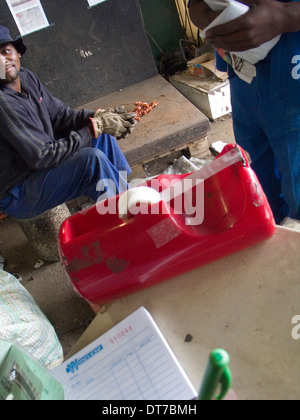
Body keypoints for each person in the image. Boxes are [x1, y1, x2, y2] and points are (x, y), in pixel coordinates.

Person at [0, 25, 136, 220]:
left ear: (18, 52)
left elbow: (60, 116)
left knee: (102, 134)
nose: (2, 61)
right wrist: (91, 128)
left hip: (37, 168)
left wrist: (97, 116)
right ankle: (128, 217)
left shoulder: (26, 78)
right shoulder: (3, 103)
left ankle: (125, 197)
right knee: (90, 159)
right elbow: (42, 155)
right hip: (19, 192)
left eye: (6, 51)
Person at [189, 0, 300, 224]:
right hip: (243, 74)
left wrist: (288, 15)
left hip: (292, 70)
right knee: (256, 180)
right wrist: (198, 9)